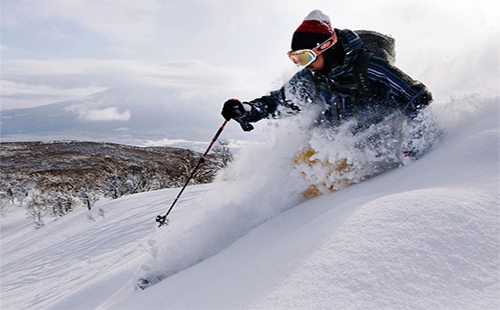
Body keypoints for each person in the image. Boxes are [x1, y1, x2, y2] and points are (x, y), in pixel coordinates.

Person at [221, 9, 432, 135]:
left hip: (376, 139)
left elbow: (418, 97)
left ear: (326, 48)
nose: (303, 65)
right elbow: (280, 102)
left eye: (305, 57)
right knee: (303, 171)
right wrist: (248, 110)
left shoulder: (369, 67)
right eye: (296, 59)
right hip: (334, 140)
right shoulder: (311, 76)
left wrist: (414, 144)